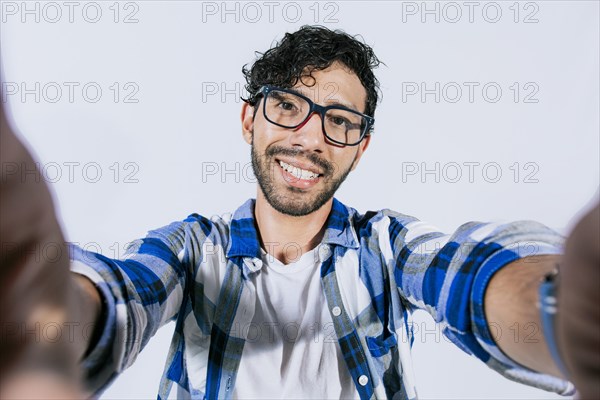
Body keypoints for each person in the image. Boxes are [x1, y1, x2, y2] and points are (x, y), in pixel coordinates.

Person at [1, 25, 598, 400]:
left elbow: (464, 274)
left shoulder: (387, 246)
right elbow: (127, 290)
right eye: (288, 106)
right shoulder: (190, 249)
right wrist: (36, 312)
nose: (311, 138)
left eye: (339, 121)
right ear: (248, 121)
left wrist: (565, 311)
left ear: (360, 148)